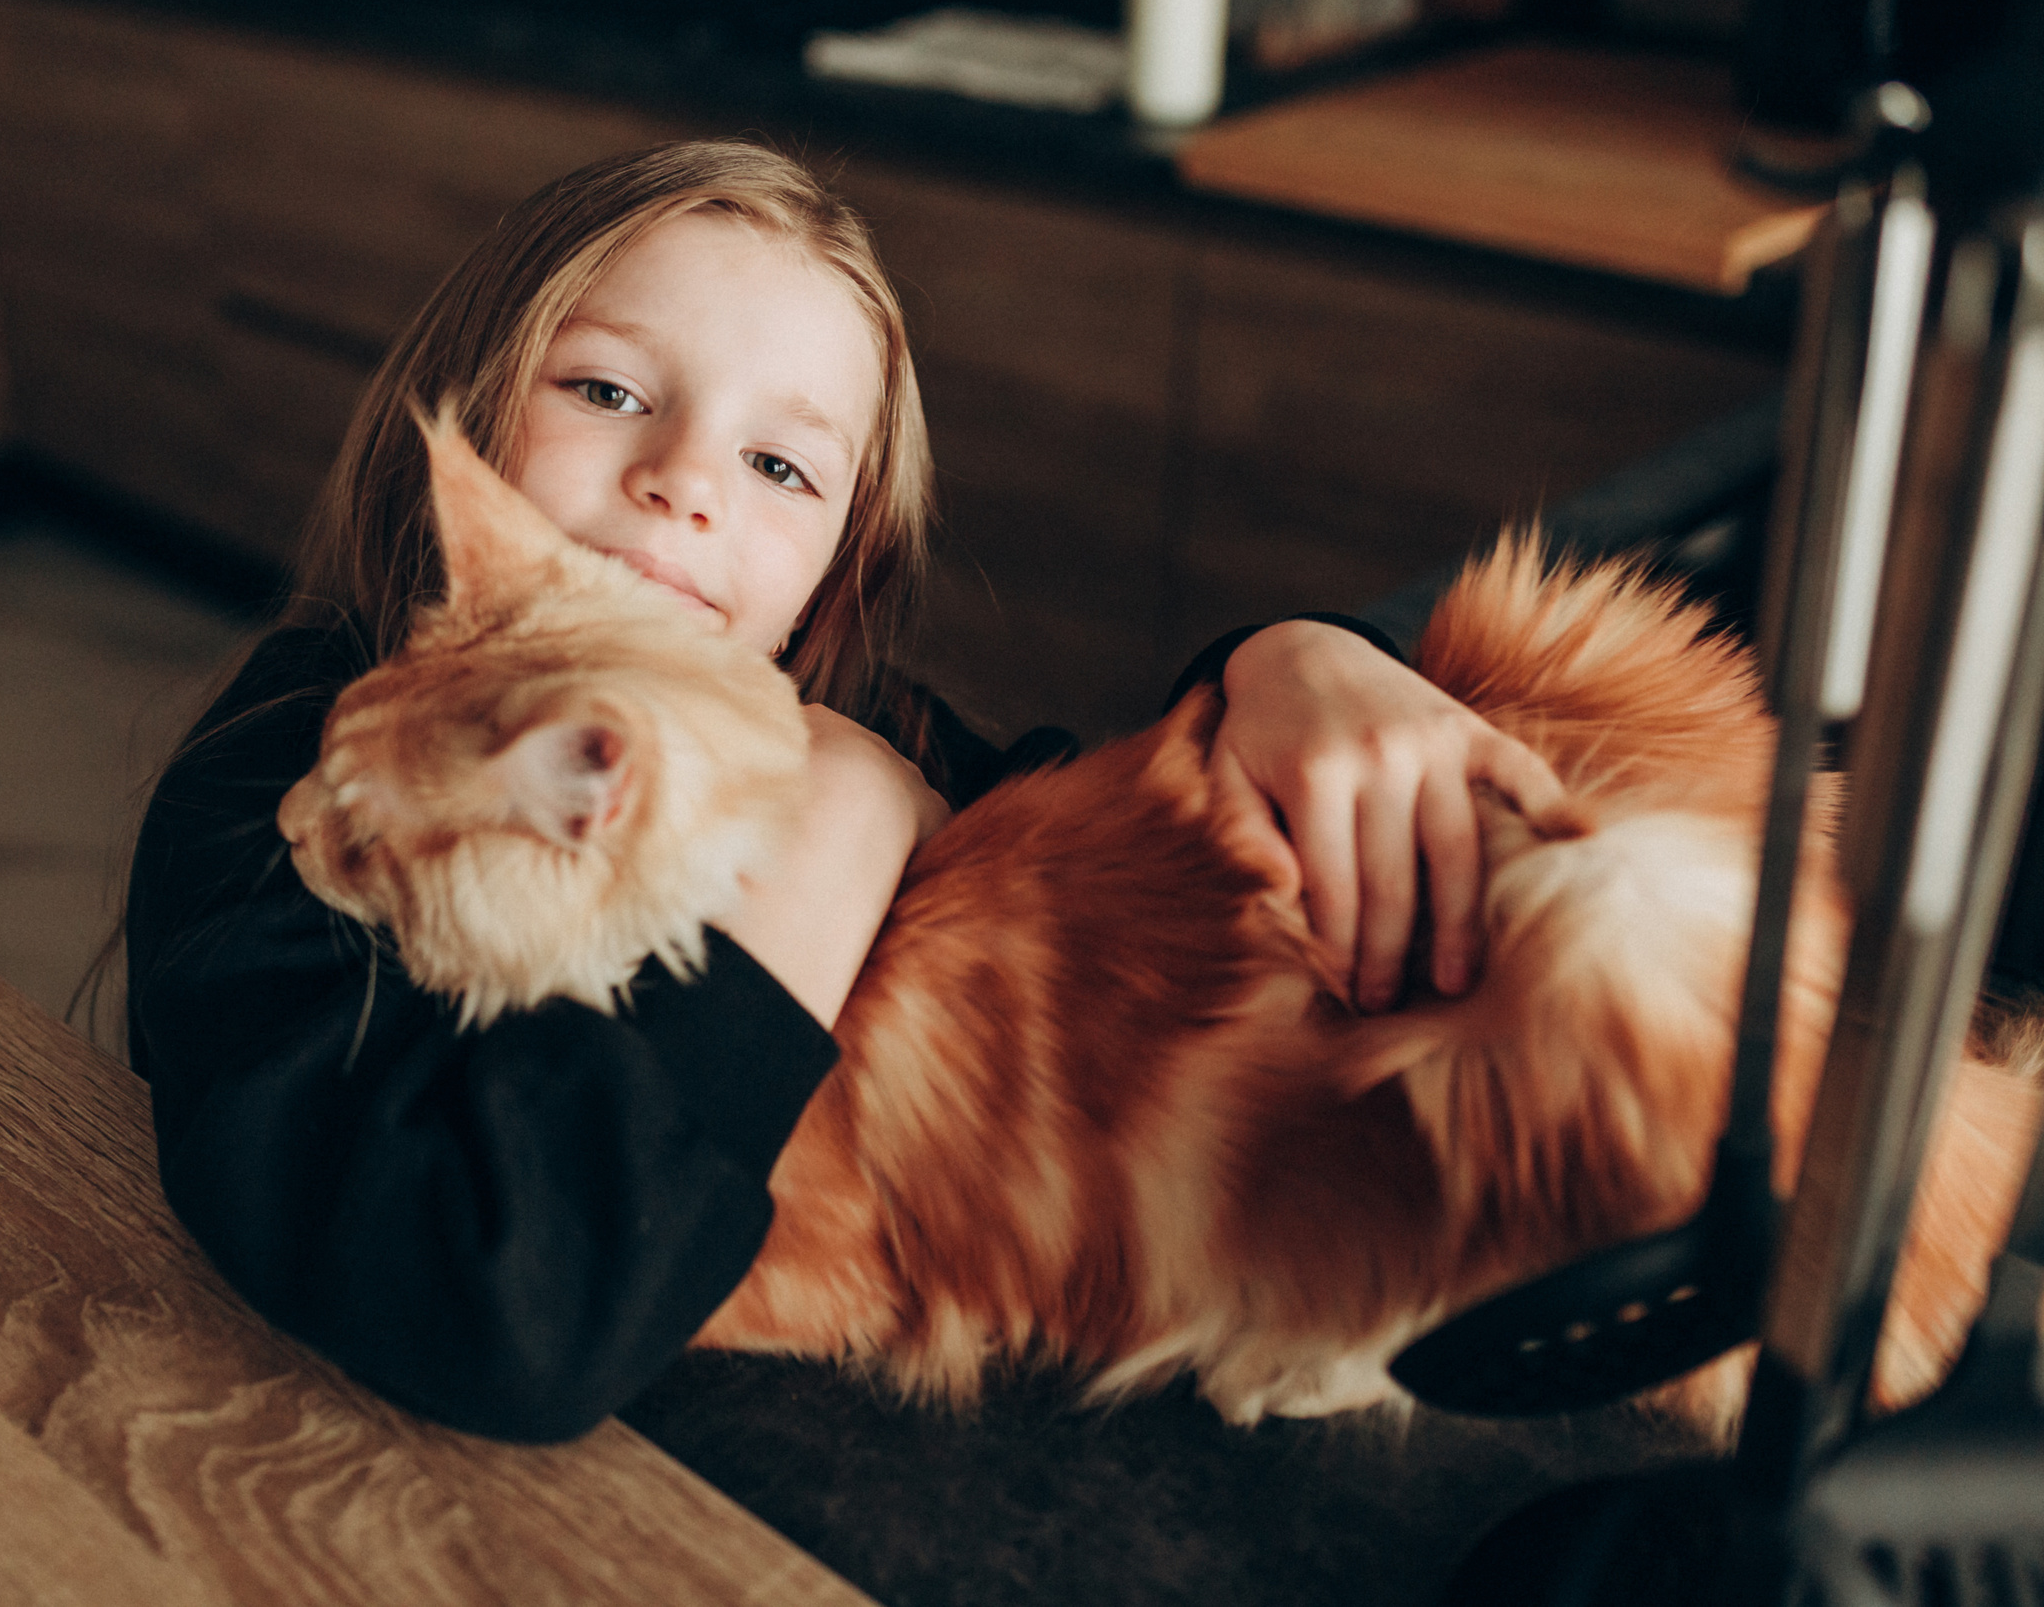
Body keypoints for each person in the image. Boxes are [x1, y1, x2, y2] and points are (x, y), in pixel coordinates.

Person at [124, 139, 1566, 1443]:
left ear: (833, 583)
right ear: (460, 419)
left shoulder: (857, 716)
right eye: (609, 389)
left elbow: (1090, 837)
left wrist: (1292, 656)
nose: (687, 482)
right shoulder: (291, 771)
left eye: (779, 465)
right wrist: (843, 811)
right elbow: (508, 1319)